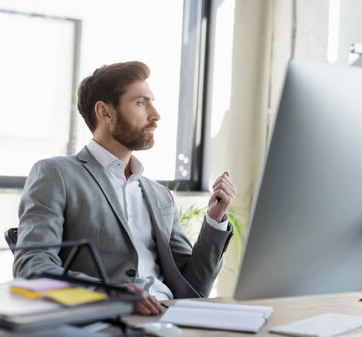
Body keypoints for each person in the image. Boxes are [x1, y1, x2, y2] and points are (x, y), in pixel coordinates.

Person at [13, 61, 237, 315]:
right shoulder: (57, 174)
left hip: (170, 320)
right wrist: (111, 293)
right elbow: (32, 266)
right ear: (105, 112)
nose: (155, 115)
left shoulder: (160, 196)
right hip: (107, 322)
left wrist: (215, 219)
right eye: (141, 103)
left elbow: (194, 289)